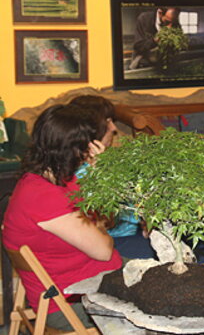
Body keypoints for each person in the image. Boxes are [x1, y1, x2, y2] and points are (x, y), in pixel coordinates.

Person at [2, 104, 122, 331]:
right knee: (162, 302)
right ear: (74, 149)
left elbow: (105, 218)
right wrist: (100, 230)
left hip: (89, 282)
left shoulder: (49, 180)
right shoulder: (43, 197)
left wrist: (98, 175)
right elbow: (104, 250)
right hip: (71, 302)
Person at [68, 95, 156, 260]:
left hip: (132, 234)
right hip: (111, 242)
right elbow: (104, 218)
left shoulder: (106, 159)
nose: (114, 128)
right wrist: (101, 170)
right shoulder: (78, 170)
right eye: (108, 121)